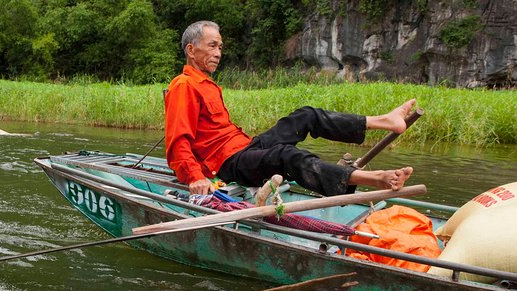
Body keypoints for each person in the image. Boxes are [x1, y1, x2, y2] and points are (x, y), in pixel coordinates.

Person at [165, 21, 414, 197]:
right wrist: (195, 177)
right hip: (226, 164)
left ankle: (385, 120)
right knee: (285, 155)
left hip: (244, 148)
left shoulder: (207, 84)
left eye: (220, 47)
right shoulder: (184, 85)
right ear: (191, 50)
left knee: (306, 115)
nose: (218, 53)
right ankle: (376, 178)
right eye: (212, 46)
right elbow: (178, 142)